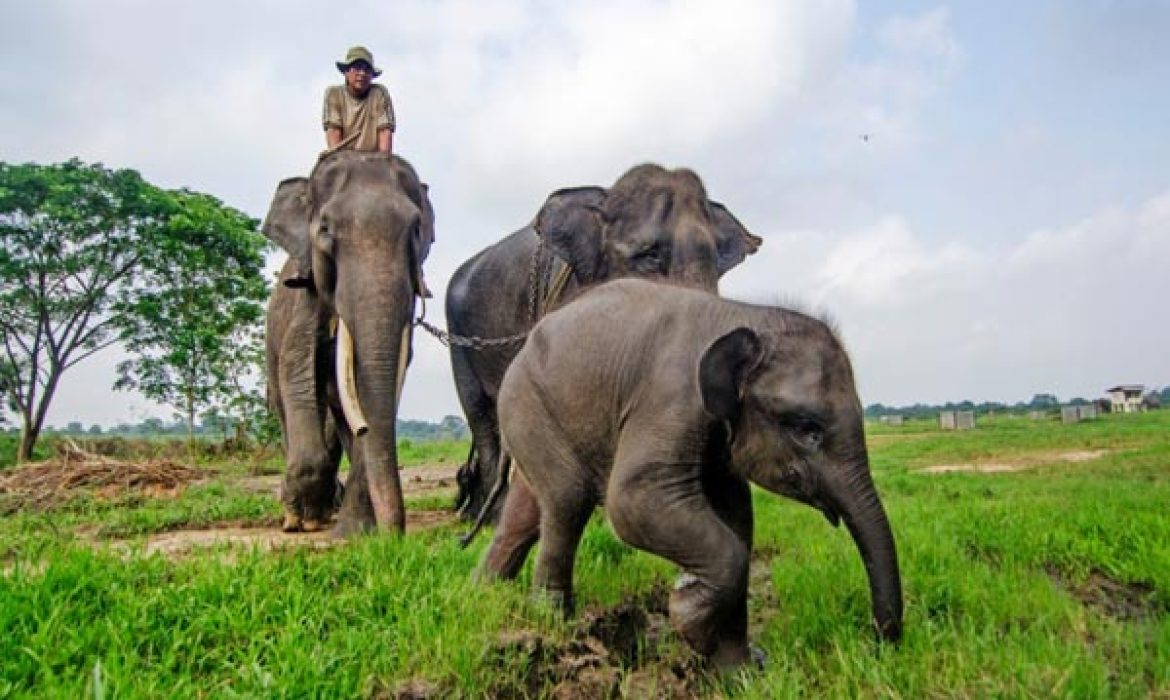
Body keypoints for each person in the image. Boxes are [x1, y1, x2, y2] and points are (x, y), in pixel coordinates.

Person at [323, 46, 395, 153]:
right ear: (346, 72)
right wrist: (338, 160)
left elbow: (385, 131)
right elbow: (333, 131)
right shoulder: (334, 94)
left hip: (374, 159)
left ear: (372, 75)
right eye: (357, 68)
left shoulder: (379, 93)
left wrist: (383, 161)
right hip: (344, 157)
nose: (362, 73)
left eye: (367, 70)